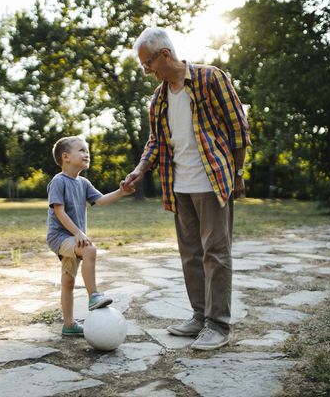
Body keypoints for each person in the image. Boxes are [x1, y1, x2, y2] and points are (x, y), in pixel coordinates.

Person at [124, 27, 251, 350]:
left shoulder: (211, 78)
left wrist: (237, 173)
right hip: (179, 185)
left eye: (147, 63)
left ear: (165, 55)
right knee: (190, 255)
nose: (146, 70)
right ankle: (199, 316)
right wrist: (139, 170)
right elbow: (155, 142)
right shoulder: (158, 99)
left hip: (213, 180)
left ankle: (218, 325)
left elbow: (238, 128)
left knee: (216, 253)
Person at [47, 135, 135, 337]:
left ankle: (68, 325)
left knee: (68, 281)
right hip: (60, 236)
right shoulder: (58, 181)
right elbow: (59, 212)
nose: (87, 154)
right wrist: (78, 232)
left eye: (87, 151)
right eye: (82, 150)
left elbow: (101, 200)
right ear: (66, 157)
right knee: (89, 249)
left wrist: (121, 192)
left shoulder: (83, 183)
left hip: (73, 237)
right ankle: (93, 296)